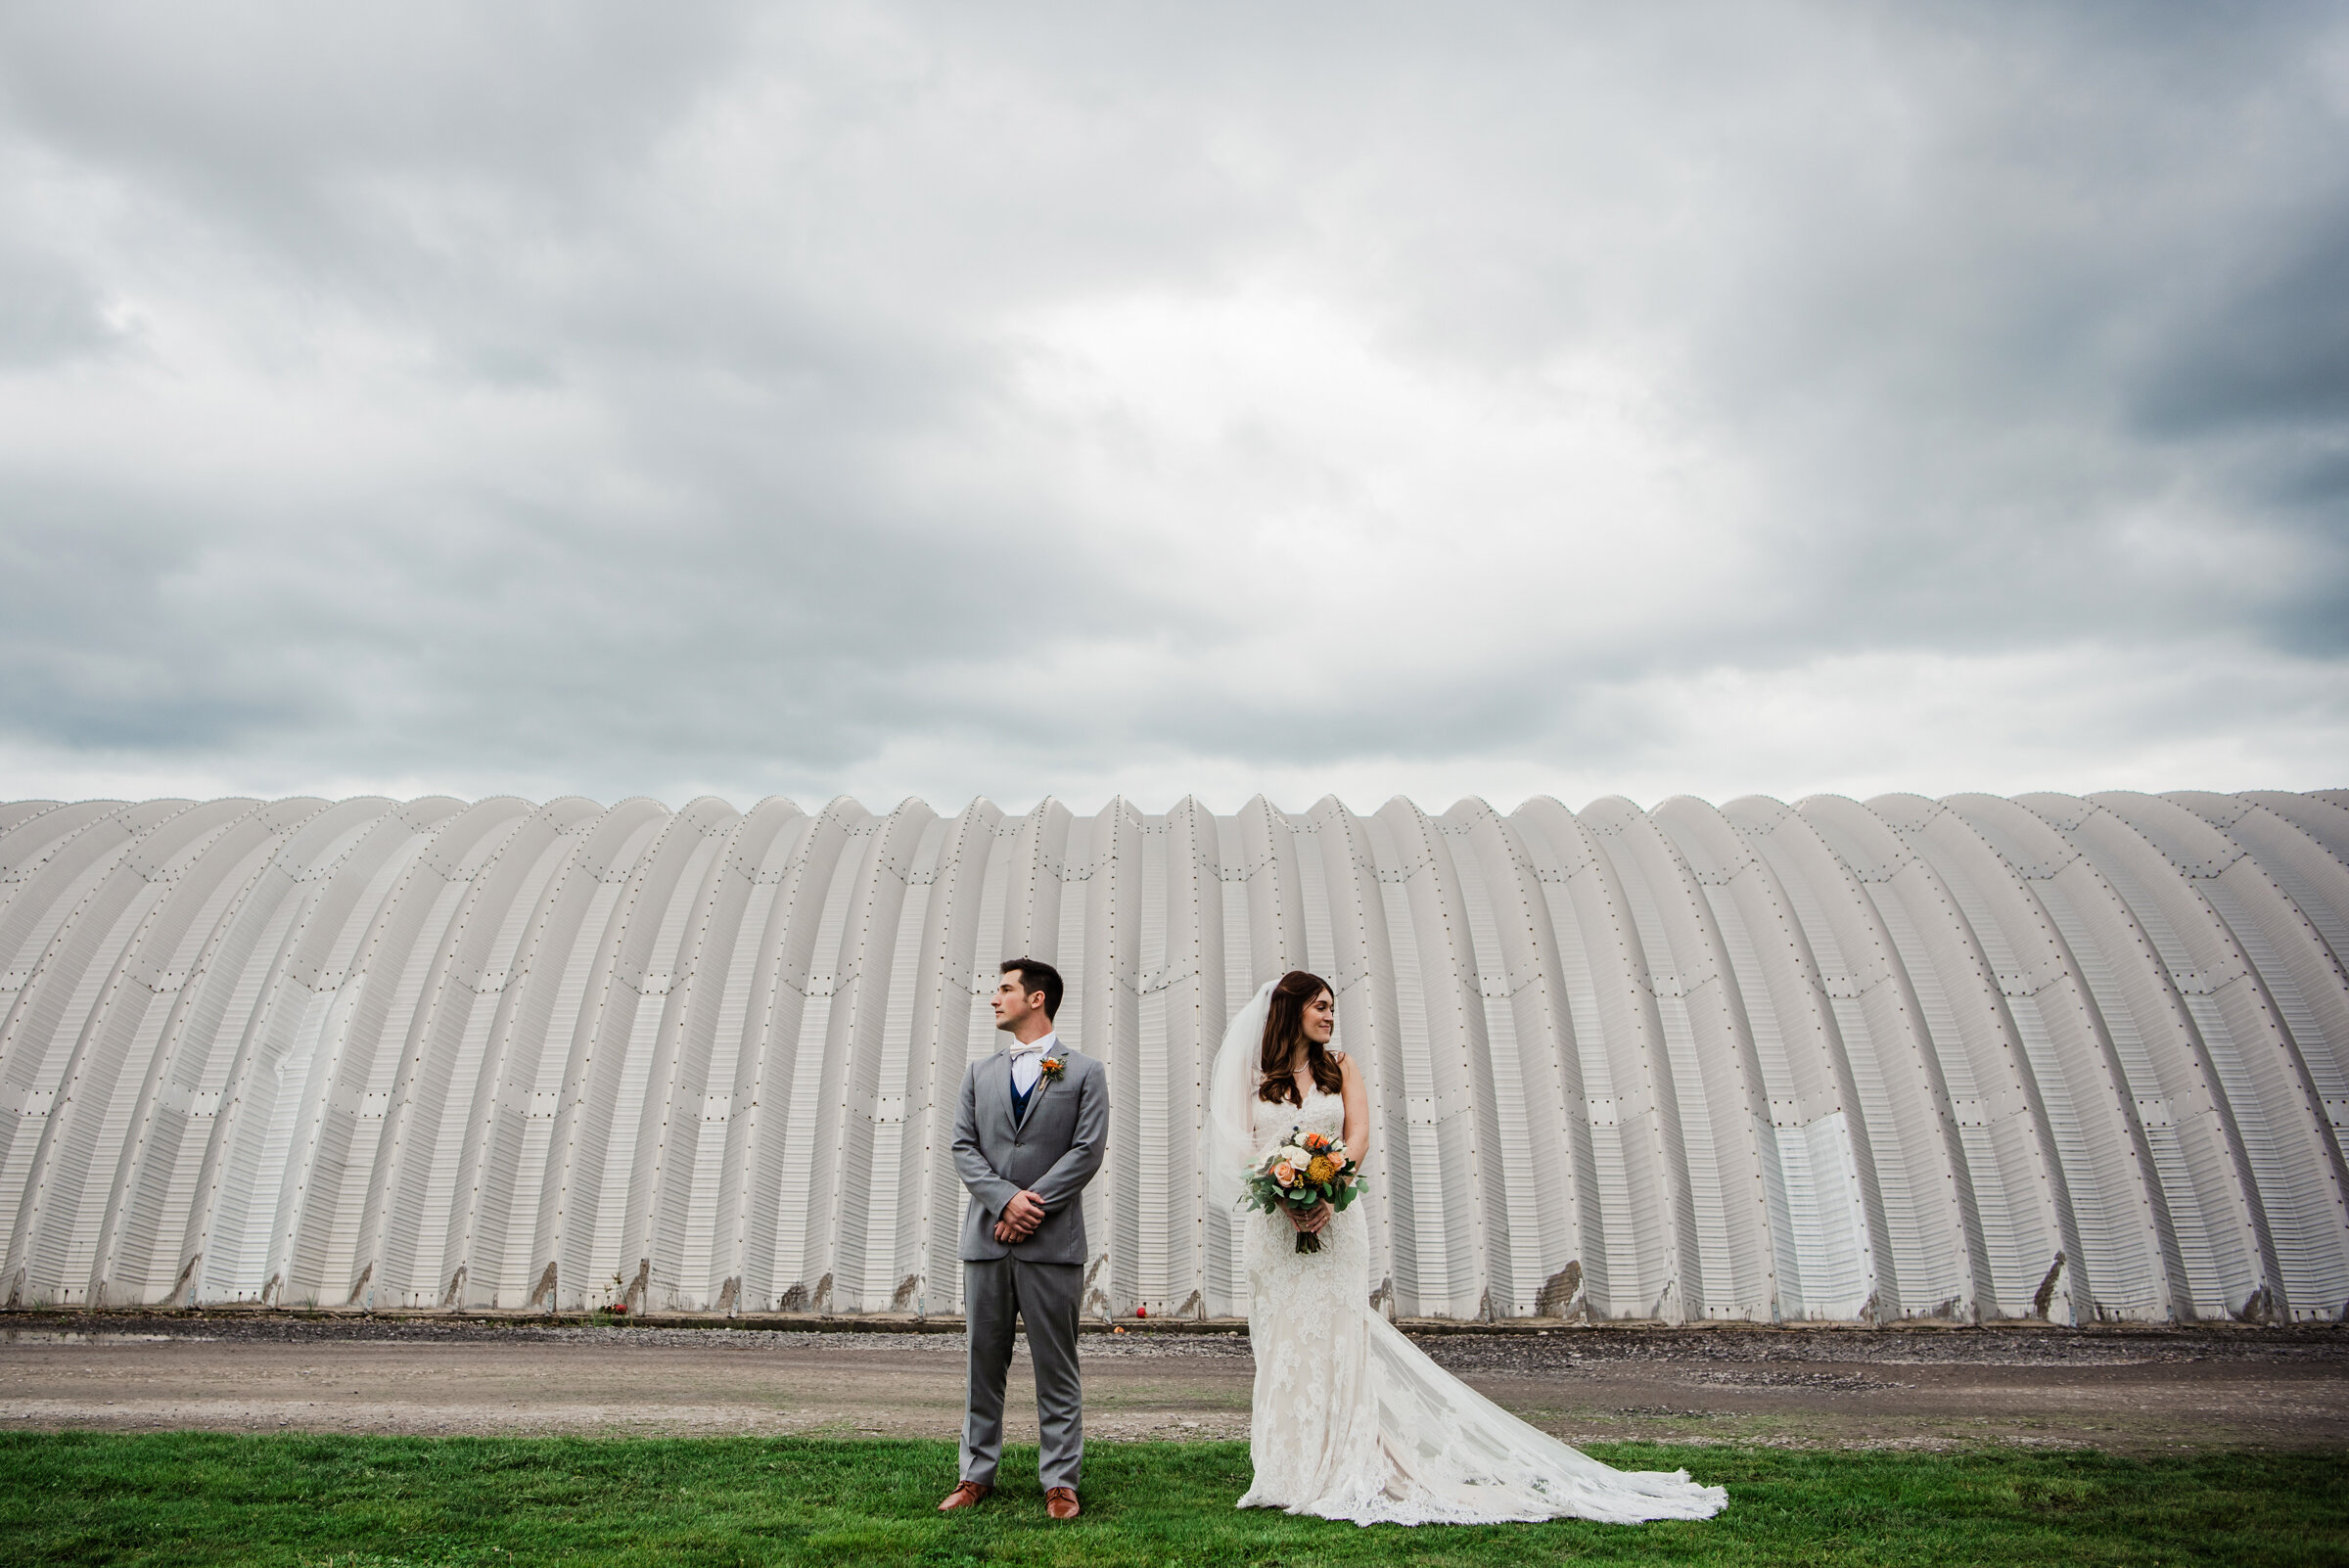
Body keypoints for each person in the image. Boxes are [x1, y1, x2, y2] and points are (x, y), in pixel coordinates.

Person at [1206, 970, 1728, 1527]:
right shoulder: (1257, 1076)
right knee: (1285, 1341)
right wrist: (1284, 1195)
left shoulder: (1344, 1068)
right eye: (1321, 1006)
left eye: (1333, 1007)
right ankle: (1288, 1469)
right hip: (1275, 1232)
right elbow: (1239, 1146)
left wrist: (1329, 1193)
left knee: (1338, 1339)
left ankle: (1340, 1462)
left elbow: (1358, 1137)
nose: (1331, 1017)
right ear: (1291, 1009)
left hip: (1336, 1226)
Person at [938, 957, 1108, 1521]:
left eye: (1005, 989)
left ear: (1037, 999)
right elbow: (964, 1146)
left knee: (1056, 1366)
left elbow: (1086, 1151)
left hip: (1052, 1243)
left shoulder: (1084, 1072)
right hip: (986, 1239)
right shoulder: (978, 1073)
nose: (994, 998)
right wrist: (1003, 1201)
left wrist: (1029, 1206)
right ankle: (974, 1474)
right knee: (982, 1363)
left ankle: (1060, 1481)